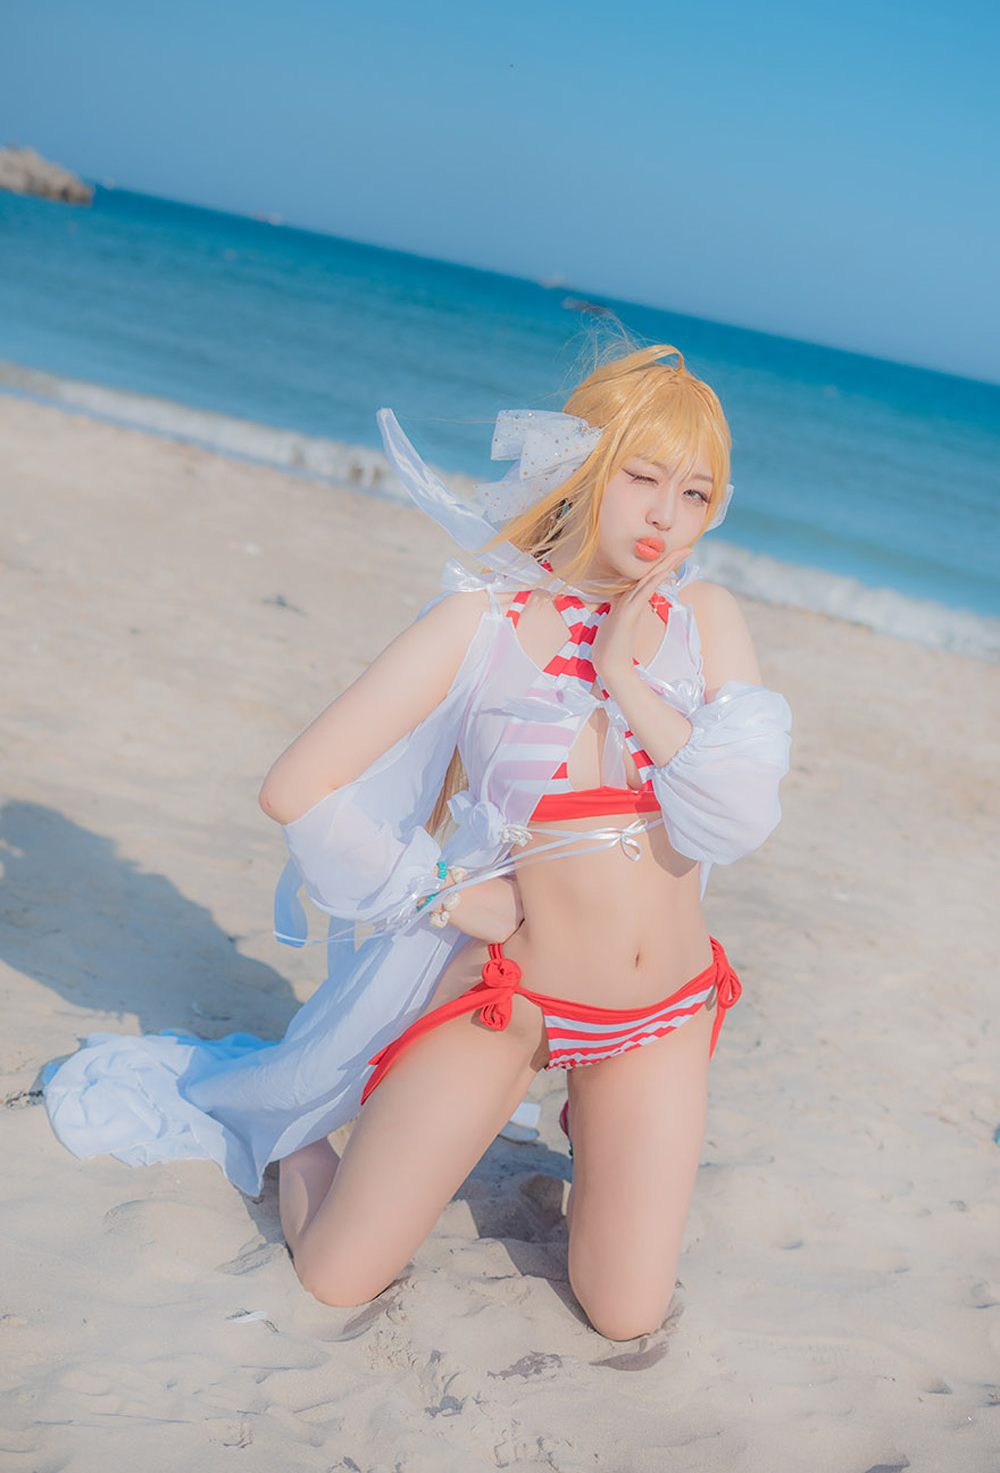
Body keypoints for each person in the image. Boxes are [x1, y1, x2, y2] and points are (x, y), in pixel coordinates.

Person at [44, 343, 791, 1342]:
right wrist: (447, 891)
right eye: (642, 478)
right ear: (581, 470)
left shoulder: (703, 619)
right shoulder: (481, 622)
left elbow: (737, 817)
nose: (665, 516)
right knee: (335, 1277)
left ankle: (599, 1127)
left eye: (694, 494)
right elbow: (297, 787)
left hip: (661, 1015)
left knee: (625, 1314)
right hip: (509, 999)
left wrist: (624, 675)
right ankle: (301, 1144)